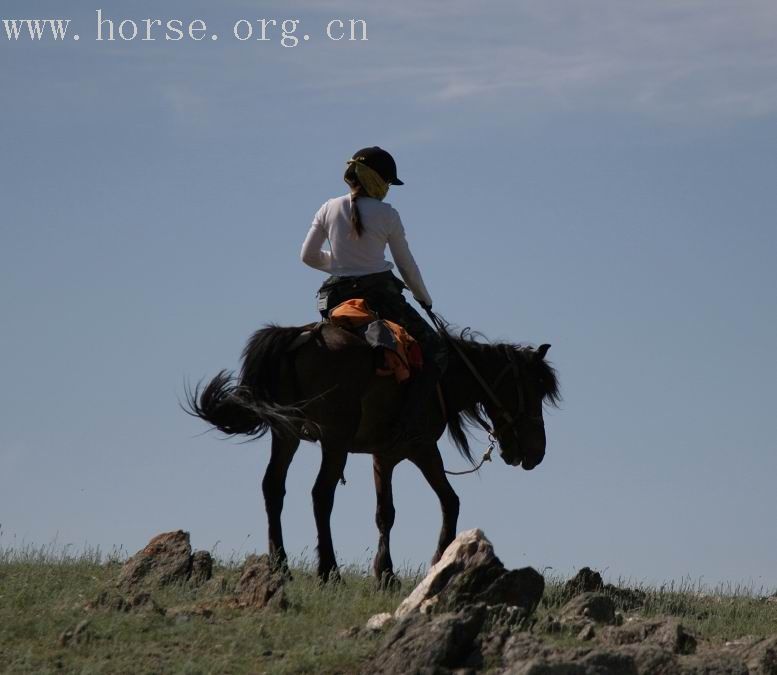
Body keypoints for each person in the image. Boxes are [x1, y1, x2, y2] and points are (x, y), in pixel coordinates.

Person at [300, 146, 446, 443]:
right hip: (379, 297)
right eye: (389, 184)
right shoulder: (387, 214)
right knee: (438, 350)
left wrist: (342, 263)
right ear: (379, 181)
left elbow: (308, 256)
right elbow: (405, 264)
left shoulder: (328, 206)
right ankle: (407, 422)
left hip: (334, 299)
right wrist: (424, 298)